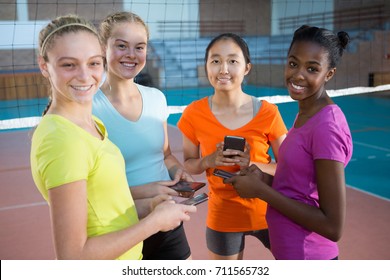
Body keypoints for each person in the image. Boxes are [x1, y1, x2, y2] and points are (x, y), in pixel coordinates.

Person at [30, 14, 196, 260]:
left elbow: (107, 202)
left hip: (139, 233)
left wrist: (151, 208)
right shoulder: (63, 139)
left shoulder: (91, 124)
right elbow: (73, 257)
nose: (85, 76)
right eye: (69, 64)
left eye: (93, 63)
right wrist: (153, 219)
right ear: (44, 66)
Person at [226, 25, 353, 260]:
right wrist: (263, 178)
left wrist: (262, 191)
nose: (298, 75)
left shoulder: (327, 126)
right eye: (293, 63)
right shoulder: (306, 113)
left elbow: (333, 227)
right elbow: (300, 188)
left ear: (329, 74)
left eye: (312, 68)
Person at [93, 11, 194, 260]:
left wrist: (177, 173)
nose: (131, 54)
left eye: (139, 47)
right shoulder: (90, 107)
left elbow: (166, 155)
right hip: (119, 224)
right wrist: (149, 191)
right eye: (121, 45)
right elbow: (92, 189)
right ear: (102, 47)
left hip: (165, 217)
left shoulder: (156, 98)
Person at [177, 33, 288, 260]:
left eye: (233, 61)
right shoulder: (193, 113)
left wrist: (252, 164)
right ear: (206, 66)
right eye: (215, 61)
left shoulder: (268, 112)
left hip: (270, 210)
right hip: (223, 215)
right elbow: (189, 164)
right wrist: (209, 161)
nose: (223, 69)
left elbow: (288, 167)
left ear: (247, 68)